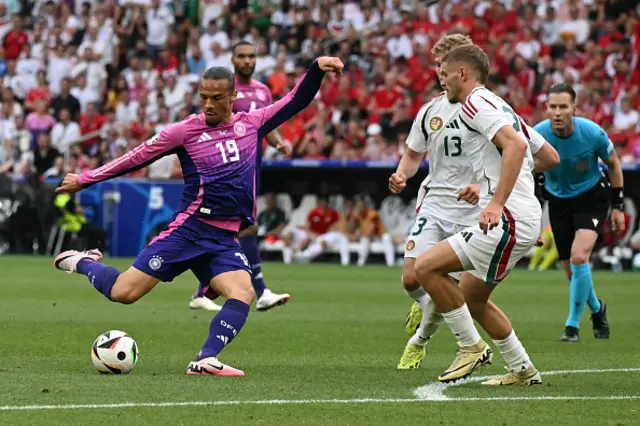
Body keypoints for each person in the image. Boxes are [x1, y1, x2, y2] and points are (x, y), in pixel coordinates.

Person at [52, 57, 344, 377]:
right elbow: (135, 158)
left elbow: (296, 100)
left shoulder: (253, 122)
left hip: (222, 239)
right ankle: (82, 261)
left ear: (233, 97)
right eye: (203, 97)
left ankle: (205, 359)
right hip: (189, 231)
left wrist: (317, 67)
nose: (208, 104)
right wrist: (85, 179)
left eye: (217, 98)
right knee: (124, 293)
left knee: (243, 292)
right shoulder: (184, 132)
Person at [392, 44, 560, 385]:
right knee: (472, 297)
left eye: (445, 73)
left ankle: (470, 347)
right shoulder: (500, 106)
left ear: (463, 73)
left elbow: (517, 147)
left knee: (425, 268)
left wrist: (496, 201)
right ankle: (523, 369)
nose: (442, 80)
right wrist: (494, 192)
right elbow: (540, 156)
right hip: (518, 217)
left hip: (507, 218)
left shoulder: (476, 104)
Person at [189, 41, 292, 313]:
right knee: (243, 227)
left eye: (251, 56)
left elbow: (267, 124)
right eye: (241, 56)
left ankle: (203, 291)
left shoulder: (263, 90)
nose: (247, 61)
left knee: (236, 228)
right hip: (224, 169)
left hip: (251, 169)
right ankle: (261, 291)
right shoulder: (223, 93)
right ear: (232, 60)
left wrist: (278, 142)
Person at [534, 83, 624, 342]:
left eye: (563, 107)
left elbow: (614, 165)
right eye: (553, 107)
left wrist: (617, 207)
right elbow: (530, 175)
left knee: (579, 257)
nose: (558, 112)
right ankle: (597, 309)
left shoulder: (593, 133)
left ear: (574, 108)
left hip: (591, 198)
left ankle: (571, 327)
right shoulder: (537, 137)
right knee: (572, 272)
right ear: (546, 109)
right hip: (559, 202)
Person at [287, 195, 351, 266]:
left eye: (324, 203)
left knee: (323, 243)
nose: (323, 205)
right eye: (321, 203)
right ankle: (300, 257)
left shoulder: (334, 213)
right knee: (307, 240)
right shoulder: (313, 212)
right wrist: (313, 235)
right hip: (314, 235)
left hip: (327, 236)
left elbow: (338, 226)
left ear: (328, 203)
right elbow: (307, 226)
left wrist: (335, 228)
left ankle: (301, 256)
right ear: (318, 203)